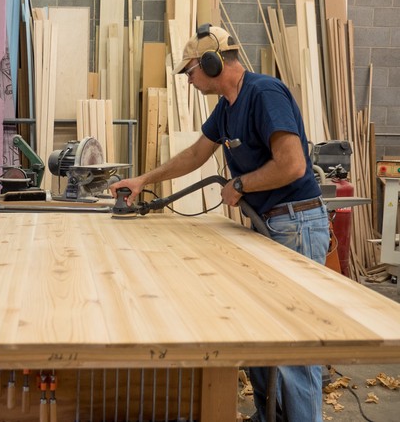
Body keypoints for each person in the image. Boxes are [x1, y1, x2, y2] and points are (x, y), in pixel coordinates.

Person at [109, 24, 329, 422]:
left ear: (212, 63)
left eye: (191, 70)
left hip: (296, 225)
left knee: (294, 346)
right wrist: (143, 181)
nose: (189, 80)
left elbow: (293, 165)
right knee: (260, 337)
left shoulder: (263, 94)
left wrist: (242, 183)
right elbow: (194, 154)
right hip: (270, 224)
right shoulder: (228, 107)